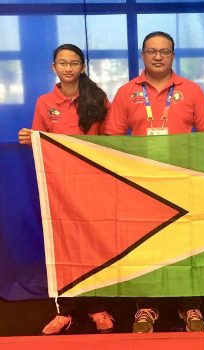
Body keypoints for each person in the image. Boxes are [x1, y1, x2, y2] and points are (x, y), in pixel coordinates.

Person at [104, 31, 204, 333]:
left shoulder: (191, 90)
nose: (157, 56)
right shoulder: (127, 92)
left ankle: (189, 305)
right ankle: (146, 307)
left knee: (187, 244)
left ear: (172, 56)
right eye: (152, 51)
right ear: (142, 55)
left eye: (164, 51)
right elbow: (112, 140)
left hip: (184, 180)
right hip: (142, 183)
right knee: (145, 245)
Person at [18, 44, 114, 335]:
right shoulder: (44, 102)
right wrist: (29, 138)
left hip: (94, 186)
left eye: (74, 63)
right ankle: (66, 310)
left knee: (94, 247)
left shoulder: (98, 99)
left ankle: (97, 306)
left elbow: (112, 142)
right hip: (59, 187)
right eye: (63, 63)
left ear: (83, 66)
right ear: (54, 67)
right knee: (63, 248)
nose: (69, 68)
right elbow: (40, 140)